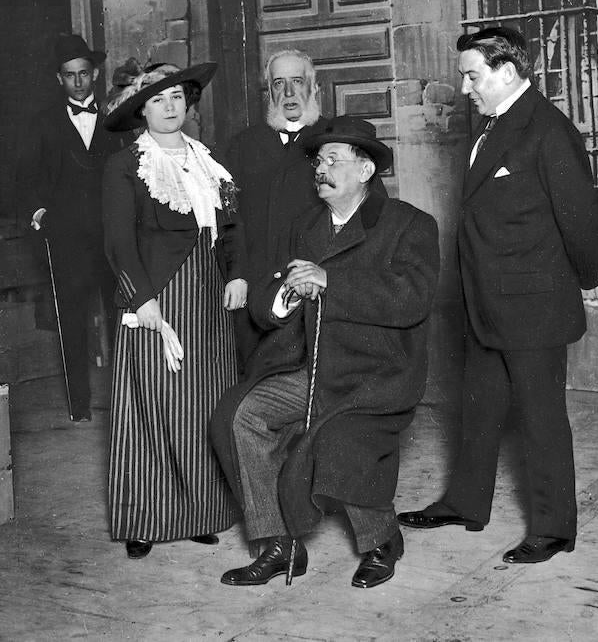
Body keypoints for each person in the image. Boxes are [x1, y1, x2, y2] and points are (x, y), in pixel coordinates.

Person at [398, 26, 598, 565]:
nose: (465, 86)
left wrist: (576, 283)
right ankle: (467, 503)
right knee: (480, 405)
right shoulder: (493, 126)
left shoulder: (548, 130)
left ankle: (554, 527)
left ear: (508, 72)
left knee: (540, 417)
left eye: (472, 75)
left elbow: (585, 224)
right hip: (486, 300)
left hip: (534, 305)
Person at [211, 116, 439, 589]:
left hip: (376, 374)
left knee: (341, 436)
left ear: (366, 170)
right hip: (313, 367)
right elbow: (274, 297)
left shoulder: (409, 224)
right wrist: (288, 296)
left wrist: (330, 282)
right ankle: (278, 545)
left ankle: (381, 542)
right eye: (318, 159)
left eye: (334, 160)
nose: (322, 168)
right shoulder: (308, 225)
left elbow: (411, 299)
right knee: (242, 415)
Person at [102, 61, 248, 559]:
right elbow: (119, 241)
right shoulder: (127, 164)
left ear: (189, 105)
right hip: (157, 298)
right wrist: (140, 299)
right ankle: (146, 518)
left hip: (207, 296)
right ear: (141, 109)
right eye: (158, 100)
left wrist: (240, 274)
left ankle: (199, 511)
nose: (170, 108)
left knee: (202, 406)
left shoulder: (208, 160)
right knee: (151, 405)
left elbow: (231, 229)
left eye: (177, 99)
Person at [226, 49, 386, 371]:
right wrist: (238, 273)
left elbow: (371, 213)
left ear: (314, 89)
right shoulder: (243, 145)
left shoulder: (338, 141)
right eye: (278, 83)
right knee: (254, 378)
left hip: (315, 284)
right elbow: (231, 217)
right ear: (268, 92)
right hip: (258, 287)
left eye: (297, 81)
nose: (288, 93)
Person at [18, 33, 130, 422]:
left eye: (84, 73)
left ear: (94, 74)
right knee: (72, 319)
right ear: (59, 79)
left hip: (111, 234)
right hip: (67, 236)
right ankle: (79, 406)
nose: (78, 82)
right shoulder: (43, 123)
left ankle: (125, 401)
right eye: (70, 75)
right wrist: (39, 212)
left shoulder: (116, 119)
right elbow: (27, 177)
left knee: (122, 317)